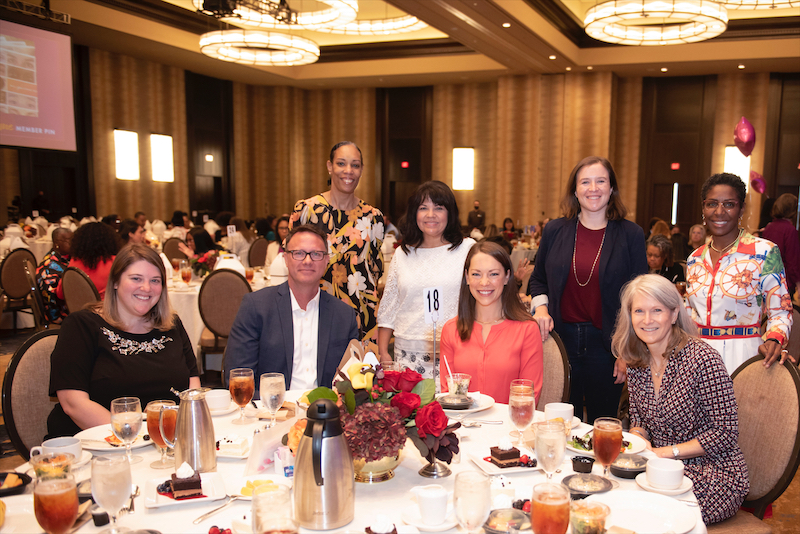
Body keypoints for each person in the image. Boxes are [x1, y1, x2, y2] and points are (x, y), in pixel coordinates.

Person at [612, 274, 749, 525]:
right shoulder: (636, 359)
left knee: (646, 516)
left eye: (657, 310)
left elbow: (725, 432)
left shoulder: (702, 359)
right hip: (660, 468)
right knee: (612, 495)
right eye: (639, 311)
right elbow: (640, 418)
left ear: (674, 314)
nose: (647, 320)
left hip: (713, 474)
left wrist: (665, 453)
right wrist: (637, 441)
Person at [528, 156, 647, 423]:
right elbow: (538, 279)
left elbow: (641, 297)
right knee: (559, 422)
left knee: (602, 423)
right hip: (559, 340)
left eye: (600, 181)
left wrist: (628, 350)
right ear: (575, 190)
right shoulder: (555, 230)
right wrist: (542, 308)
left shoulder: (631, 234)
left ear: (612, 188)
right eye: (585, 182)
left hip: (608, 344)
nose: (593, 188)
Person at [47, 244, 200, 437]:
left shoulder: (171, 325)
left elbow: (192, 388)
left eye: (155, 280)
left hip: (164, 440)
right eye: (136, 278)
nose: (146, 288)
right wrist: (136, 434)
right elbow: (73, 403)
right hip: (96, 442)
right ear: (115, 282)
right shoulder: (82, 325)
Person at [224, 224, 359, 393]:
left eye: (316, 254)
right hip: (271, 411)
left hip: (326, 410)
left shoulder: (343, 315)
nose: (308, 261)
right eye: (299, 253)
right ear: (286, 259)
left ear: (326, 260)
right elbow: (238, 377)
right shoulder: (256, 306)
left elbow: (351, 381)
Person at [685, 173, 793, 374]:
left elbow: (781, 310)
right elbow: (689, 311)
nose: (719, 212)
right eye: (712, 204)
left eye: (729, 204)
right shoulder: (694, 259)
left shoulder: (764, 252)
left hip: (744, 356)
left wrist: (774, 338)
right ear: (703, 208)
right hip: (696, 359)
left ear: (741, 208)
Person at [377, 180, 476, 378]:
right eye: (423, 208)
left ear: (450, 213)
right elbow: (389, 307)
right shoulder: (402, 254)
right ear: (414, 214)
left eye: (438, 208)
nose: (431, 215)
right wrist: (383, 352)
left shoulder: (467, 249)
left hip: (457, 351)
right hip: (407, 355)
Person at [290, 141, 384, 341]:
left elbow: (375, 270)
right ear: (329, 166)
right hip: (316, 311)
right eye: (341, 163)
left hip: (363, 314)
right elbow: (294, 263)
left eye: (355, 165)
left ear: (361, 170)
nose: (348, 171)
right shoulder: (307, 211)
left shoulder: (373, 217)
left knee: (361, 372)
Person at [439, 241, 543, 404]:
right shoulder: (451, 329)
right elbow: (449, 393)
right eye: (476, 274)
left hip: (508, 426)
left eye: (493, 274)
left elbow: (528, 396)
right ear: (467, 277)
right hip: (463, 424)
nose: (484, 282)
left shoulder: (527, 330)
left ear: (507, 276)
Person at [56, 222, 119, 301]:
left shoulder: (74, 263)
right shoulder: (115, 262)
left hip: (79, 312)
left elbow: (60, 294)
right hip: (107, 311)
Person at [762, 193, 800, 299]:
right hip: (784, 281)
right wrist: (798, 283)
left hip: (768, 278)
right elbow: (792, 260)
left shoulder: (769, 227)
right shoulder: (790, 230)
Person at [36, 227, 72, 324]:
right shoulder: (49, 267)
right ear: (57, 243)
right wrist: (56, 318)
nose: (73, 244)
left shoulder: (65, 258)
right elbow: (49, 297)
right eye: (69, 241)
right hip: (60, 315)